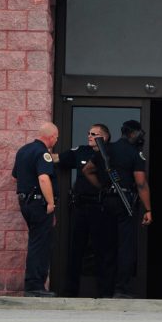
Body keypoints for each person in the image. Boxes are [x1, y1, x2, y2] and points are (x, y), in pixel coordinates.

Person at [83, 120, 153, 299]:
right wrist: (148, 209)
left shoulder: (106, 149)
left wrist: (103, 187)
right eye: (139, 134)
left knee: (107, 246)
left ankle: (105, 289)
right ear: (132, 134)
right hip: (125, 202)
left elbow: (87, 170)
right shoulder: (134, 154)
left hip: (107, 202)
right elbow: (141, 183)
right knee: (125, 247)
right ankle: (121, 289)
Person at [55, 123, 111, 297]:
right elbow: (57, 158)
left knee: (101, 250)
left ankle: (104, 291)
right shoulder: (81, 151)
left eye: (94, 134)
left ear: (104, 137)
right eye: (88, 133)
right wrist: (37, 153)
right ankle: (70, 291)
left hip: (99, 207)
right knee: (75, 250)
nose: (89, 136)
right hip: (80, 207)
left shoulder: (109, 153)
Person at [12, 122, 60, 297]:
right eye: (56, 137)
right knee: (40, 245)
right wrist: (50, 203)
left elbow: (15, 175)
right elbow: (44, 179)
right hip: (39, 203)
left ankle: (33, 284)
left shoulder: (23, 150)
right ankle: (35, 286)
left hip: (26, 202)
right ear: (51, 136)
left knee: (36, 242)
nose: (56, 140)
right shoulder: (43, 153)